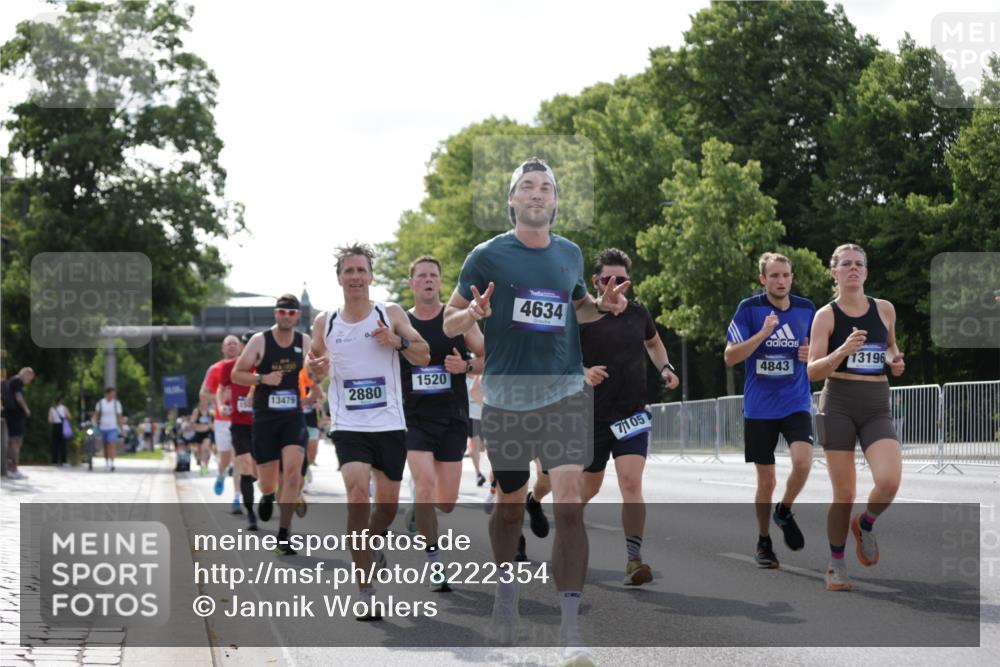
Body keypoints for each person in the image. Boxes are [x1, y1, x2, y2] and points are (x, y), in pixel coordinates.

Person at [442, 157, 628, 662]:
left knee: (569, 499)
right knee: (509, 505)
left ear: (556, 201)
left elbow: (579, 306)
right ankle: (507, 594)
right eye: (528, 187)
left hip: (565, 390)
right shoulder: (486, 255)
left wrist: (603, 306)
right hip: (506, 395)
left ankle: (570, 631)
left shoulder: (569, 252)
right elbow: (449, 323)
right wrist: (472, 313)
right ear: (512, 200)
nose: (538, 194)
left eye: (546, 187)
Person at [306, 243, 430, 619]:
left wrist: (397, 341)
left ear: (370, 276)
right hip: (348, 425)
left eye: (361, 271)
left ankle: (373, 544)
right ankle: (365, 589)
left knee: (387, 508)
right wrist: (318, 370)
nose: (356, 277)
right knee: (358, 497)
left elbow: (423, 353)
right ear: (340, 278)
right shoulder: (325, 322)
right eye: (349, 271)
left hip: (390, 423)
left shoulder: (388, 313)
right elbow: (313, 369)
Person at [578, 248, 680, 586]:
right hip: (591, 415)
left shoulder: (639, 313)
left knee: (631, 483)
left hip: (632, 412)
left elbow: (653, 344)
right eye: (607, 279)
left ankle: (634, 559)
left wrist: (664, 367)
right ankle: (568, 532)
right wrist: (583, 372)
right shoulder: (581, 314)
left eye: (621, 280)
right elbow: (558, 357)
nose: (614, 285)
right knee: (587, 488)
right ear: (596, 281)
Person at [808, 243, 905, 591]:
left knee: (890, 480)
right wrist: (842, 350)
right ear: (834, 272)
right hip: (839, 404)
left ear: (866, 272)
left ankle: (865, 523)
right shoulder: (826, 316)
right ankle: (836, 564)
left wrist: (895, 360)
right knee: (844, 493)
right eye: (845, 264)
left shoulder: (885, 309)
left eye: (858, 264)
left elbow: (891, 345)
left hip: (877, 402)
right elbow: (812, 371)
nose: (853, 269)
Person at [724, 252, 815, 568]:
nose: (781, 281)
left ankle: (784, 511)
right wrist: (762, 334)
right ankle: (764, 540)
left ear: (792, 277)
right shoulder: (749, 309)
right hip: (760, 407)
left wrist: (809, 353)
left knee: (803, 463)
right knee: (766, 482)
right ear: (763, 279)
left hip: (796, 401)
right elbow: (730, 356)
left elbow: (818, 349)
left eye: (786, 275)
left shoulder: (806, 308)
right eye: (774, 276)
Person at [399, 255, 484, 592]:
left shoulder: (458, 319)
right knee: (423, 485)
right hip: (414, 418)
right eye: (421, 275)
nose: (428, 280)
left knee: (445, 501)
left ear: (441, 281)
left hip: (451, 417)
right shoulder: (401, 322)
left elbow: (485, 358)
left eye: (434, 275)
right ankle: (435, 564)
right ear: (412, 283)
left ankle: (420, 513)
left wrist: (464, 368)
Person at [233, 294, 313, 556]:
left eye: (291, 313)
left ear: (298, 316)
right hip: (265, 418)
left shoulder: (304, 341)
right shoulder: (260, 341)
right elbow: (238, 373)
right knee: (267, 481)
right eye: (282, 312)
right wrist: (263, 378)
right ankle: (267, 495)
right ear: (276, 314)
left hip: (293, 416)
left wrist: (320, 370)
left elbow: (315, 373)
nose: (287, 317)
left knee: (292, 473)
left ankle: (284, 534)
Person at [218, 332, 260, 530]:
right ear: (244, 347)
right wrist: (220, 405)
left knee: (258, 471)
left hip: (262, 424)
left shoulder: (264, 366)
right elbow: (221, 387)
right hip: (239, 423)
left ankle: (266, 494)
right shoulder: (229, 366)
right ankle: (250, 512)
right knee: (244, 463)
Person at [202, 335, 243, 512]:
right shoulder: (215, 369)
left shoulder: (247, 366)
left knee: (238, 458)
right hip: (222, 421)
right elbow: (203, 394)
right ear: (223, 348)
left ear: (241, 347)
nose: (232, 346)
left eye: (235, 343)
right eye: (229, 344)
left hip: (242, 419)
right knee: (225, 459)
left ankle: (237, 497)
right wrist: (221, 399)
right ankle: (220, 474)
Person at [3, 367, 34, 479]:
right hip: (15, 415)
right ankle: (13, 470)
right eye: (30, 378)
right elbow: (18, 396)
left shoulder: (12, 380)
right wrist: (26, 409)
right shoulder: (17, 381)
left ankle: (10, 469)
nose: (29, 381)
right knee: (16, 442)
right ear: (25, 374)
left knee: (12, 442)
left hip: (10, 414)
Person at [92, 387, 124, 472]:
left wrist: (122, 428)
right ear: (107, 394)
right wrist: (94, 423)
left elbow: (119, 417)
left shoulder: (116, 404)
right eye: (112, 393)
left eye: (114, 393)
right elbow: (96, 414)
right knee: (105, 447)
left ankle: (112, 463)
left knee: (111, 443)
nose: (113, 395)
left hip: (113, 427)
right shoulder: (100, 403)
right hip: (103, 427)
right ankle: (106, 462)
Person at [467, 373, 486, 487]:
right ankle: (478, 473)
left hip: (488, 413)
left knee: (484, 446)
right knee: (475, 442)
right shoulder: (468, 359)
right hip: (472, 412)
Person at [48, 397, 72, 467]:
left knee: (55, 444)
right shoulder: (64, 408)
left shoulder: (51, 409)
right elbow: (69, 417)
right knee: (63, 445)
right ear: (61, 401)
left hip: (55, 426)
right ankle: (64, 461)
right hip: (62, 426)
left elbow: (49, 420)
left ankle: (54, 461)